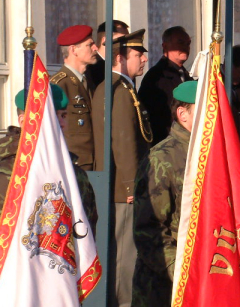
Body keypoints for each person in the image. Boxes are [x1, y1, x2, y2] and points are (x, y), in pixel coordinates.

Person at [92, 29, 152, 307]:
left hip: (123, 185)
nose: (143, 59)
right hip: (122, 188)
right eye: (138, 54)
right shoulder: (118, 89)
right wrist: (131, 185)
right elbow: (124, 140)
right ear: (119, 58)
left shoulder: (123, 87)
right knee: (124, 255)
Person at [132, 80, 197, 307]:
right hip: (164, 286)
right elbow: (149, 230)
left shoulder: (213, 155)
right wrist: (180, 272)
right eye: (206, 110)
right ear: (183, 114)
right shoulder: (162, 158)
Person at [0, 86, 98, 229]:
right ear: (23, 121)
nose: (61, 123)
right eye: (51, 116)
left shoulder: (73, 172)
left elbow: (86, 229)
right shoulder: (8, 172)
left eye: (63, 116)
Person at [51, 24, 99, 170]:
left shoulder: (87, 82)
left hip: (92, 163)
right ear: (73, 50)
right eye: (89, 45)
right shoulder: (59, 85)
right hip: (73, 164)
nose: (95, 48)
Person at [138, 26, 193, 145]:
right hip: (166, 145)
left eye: (188, 43)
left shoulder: (188, 76)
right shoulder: (156, 77)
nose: (185, 47)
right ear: (165, 46)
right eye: (180, 42)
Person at [86, 20, 130, 92]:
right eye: (122, 39)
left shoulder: (122, 64)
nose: (126, 44)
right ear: (105, 40)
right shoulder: (91, 68)